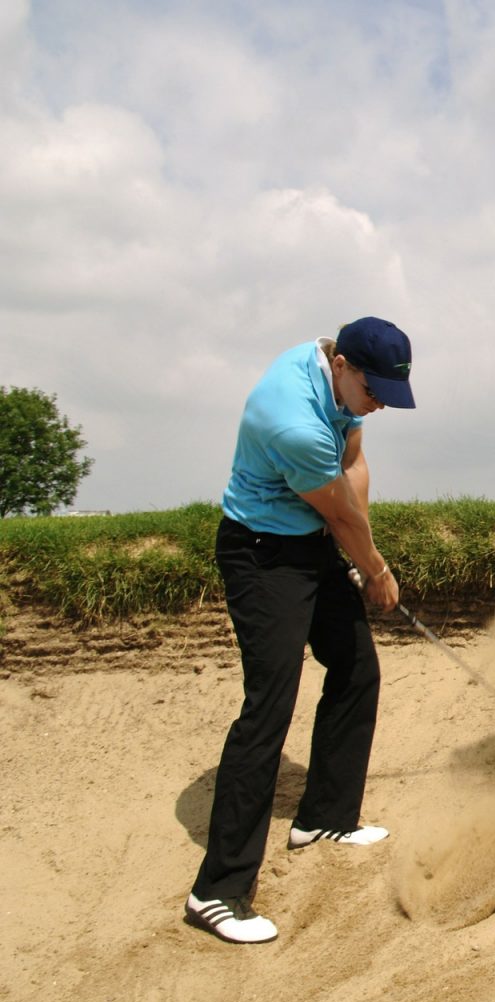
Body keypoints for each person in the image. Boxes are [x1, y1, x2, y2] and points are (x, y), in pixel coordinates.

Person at [185, 316, 415, 944]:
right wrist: (376, 571)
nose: (379, 407)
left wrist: (354, 539)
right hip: (261, 554)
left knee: (355, 667)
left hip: (308, 539)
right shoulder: (293, 418)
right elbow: (339, 511)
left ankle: (325, 818)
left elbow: (354, 465)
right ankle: (217, 892)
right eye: (376, 394)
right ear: (344, 366)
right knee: (269, 708)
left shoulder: (337, 378)